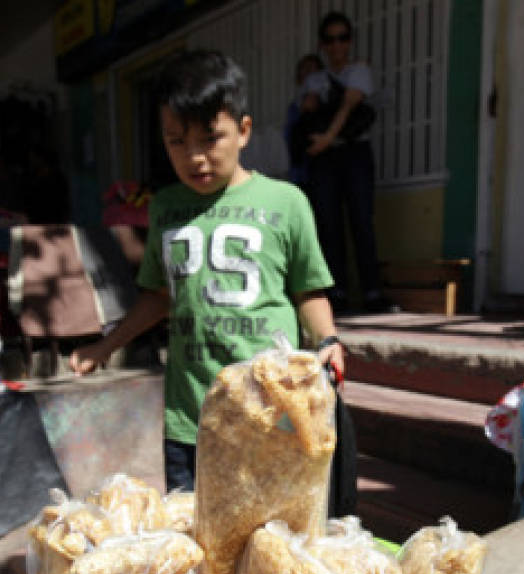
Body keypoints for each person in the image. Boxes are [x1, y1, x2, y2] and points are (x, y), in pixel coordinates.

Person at [69, 49, 344, 494]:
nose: (194, 156)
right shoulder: (164, 208)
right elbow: (159, 297)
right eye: (177, 141)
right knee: (201, 542)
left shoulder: (287, 202)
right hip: (191, 417)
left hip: (271, 411)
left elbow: (308, 291)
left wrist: (327, 341)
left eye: (210, 138)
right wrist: (106, 346)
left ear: (244, 131)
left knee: (270, 545)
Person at [300, 10, 394, 315]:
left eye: (342, 38)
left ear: (350, 41)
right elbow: (307, 107)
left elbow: (347, 107)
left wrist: (327, 137)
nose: (337, 45)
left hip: (353, 152)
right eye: (330, 39)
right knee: (329, 225)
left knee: (361, 221)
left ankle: (372, 291)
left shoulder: (359, 71)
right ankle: (336, 292)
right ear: (322, 44)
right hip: (324, 158)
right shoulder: (315, 77)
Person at [284, 53, 323, 190]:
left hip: (321, 170)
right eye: (305, 69)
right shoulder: (294, 106)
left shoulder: (327, 104)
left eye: (313, 70)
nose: (309, 74)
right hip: (299, 170)